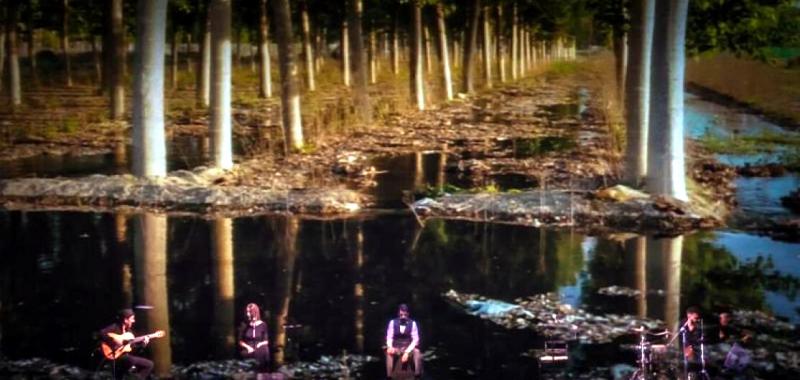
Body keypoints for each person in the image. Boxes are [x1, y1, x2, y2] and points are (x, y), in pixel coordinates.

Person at [100, 309, 154, 380]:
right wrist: (116, 340)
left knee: (149, 364)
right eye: (132, 319)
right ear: (125, 320)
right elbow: (102, 333)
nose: (134, 321)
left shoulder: (129, 332)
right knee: (132, 361)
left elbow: (133, 348)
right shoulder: (115, 327)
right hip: (113, 355)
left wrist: (142, 345)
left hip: (123, 356)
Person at [385, 304, 422, 379]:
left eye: (405, 314)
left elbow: (415, 339)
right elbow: (389, 336)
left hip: (408, 346)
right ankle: (389, 376)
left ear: (408, 314)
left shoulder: (413, 323)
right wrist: (390, 347)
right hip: (396, 347)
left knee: (417, 352)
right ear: (398, 313)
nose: (403, 316)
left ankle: (417, 374)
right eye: (401, 314)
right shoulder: (392, 322)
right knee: (389, 353)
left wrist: (407, 352)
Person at [238, 303, 270, 375]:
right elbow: (240, 341)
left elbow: (266, 341)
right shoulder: (245, 325)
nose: (248, 314)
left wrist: (260, 344)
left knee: (260, 372)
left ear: (255, 312)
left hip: (260, 350)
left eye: (250, 312)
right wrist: (248, 347)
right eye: (247, 312)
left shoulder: (263, 325)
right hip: (248, 351)